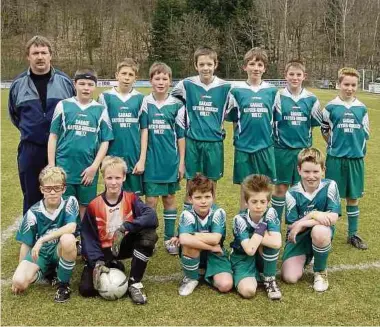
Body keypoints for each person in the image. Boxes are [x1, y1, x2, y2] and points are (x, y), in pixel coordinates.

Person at [8, 35, 75, 214]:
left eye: (43, 52)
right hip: (31, 149)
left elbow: (74, 112)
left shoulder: (65, 82)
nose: (40, 57)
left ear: (50, 55)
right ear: (28, 56)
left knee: (62, 194)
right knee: (31, 195)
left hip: (62, 148)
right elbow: (15, 116)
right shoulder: (18, 85)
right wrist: (34, 131)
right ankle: (31, 237)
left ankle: (63, 237)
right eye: (35, 53)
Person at [79, 156, 158, 304]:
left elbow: (151, 216)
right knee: (87, 290)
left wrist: (126, 227)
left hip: (122, 244)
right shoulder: (94, 205)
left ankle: (135, 283)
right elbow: (88, 237)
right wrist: (97, 262)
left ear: (124, 177)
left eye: (117, 177)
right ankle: (108, 263)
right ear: (103, 178)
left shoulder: (131, 198)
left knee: (149, 236)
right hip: (103, 250)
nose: (114, 182)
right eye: (109, 178)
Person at [48, 68, 114, 219]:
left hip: (87, 169)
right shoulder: (63, 105)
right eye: (82, 83)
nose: (86, 88)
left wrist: (94, 167)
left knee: (86, 206)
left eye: (90, 84)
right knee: (64, 205)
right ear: (74, 84)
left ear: (95, 86)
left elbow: (105, 141)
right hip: (64, 167)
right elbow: (53, 136)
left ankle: (84, 239)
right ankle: (67, 239)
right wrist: (52, 165)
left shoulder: (100, 110)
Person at [171, 46, 231, 208]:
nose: (206, 68)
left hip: (214, 143)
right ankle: (187, 222)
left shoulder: (226, 88)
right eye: (202, 64)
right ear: (196, 65)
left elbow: (233, 111)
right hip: (193, 141)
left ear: (215, 64)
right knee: (191, 183)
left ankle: (211, 222)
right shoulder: (185, 84)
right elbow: (173, 105)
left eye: (209, 64)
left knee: (212, 184)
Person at [11, 166, 78, 303]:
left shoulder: (70, 202)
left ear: (64, 189)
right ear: (41, 189)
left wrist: (42, 239)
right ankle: (45, 273)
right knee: (19, 281)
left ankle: (63, 285)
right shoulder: (33, 212)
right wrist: (21, 268)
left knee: (68, 239)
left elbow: (71, 227)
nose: (52, 192)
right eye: (48, 189)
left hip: (58, 249)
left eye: (57, 188)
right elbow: (26, 243)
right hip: (40, 253)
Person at [321, 67, 370, 250]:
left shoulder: (362, 108)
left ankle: (353, 234)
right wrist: (335, 145)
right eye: (346, 84)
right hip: (335, 158)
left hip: (356, 159)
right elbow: (325, 131)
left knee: (353, 197)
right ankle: (328, 233)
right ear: (339, 84)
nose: (349, 88)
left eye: (353, 85)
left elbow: (365, 134)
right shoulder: (330, 107)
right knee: (332, 198)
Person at [226, 48, 279, 211]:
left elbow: (276, 119)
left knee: (266, 187)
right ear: (245, 67)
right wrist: (238, 138)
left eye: (260, 64)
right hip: (244, 147)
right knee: (245, 188)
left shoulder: (272, 91)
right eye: (252, 64)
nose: (256, 68)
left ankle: (265, 224)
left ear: (264, 68)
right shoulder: (236, 90)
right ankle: (243, 225)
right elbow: (235, 119)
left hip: (265, 146)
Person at [140, 62, 185, 255]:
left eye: (165, 79)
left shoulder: (177, 105)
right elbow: (142, 132)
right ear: (150, 80)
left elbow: (181, 135)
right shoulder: (144, 103)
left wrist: (181, 162)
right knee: (150, 201)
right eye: (157, 78)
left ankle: (169, 238)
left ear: (170, 81)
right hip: (151, 160)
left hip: (170, 160)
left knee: (169, 198)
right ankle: (150, 238)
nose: (161, 82)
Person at [281, 148, 341, 292]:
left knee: (320, 231)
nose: (311, 176)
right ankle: (309, 255)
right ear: (299, 170)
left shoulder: (330, 185)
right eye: (307, 172)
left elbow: (332, 217)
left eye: (315, 171)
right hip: (299, 237)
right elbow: (292, 226)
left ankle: (320, 272)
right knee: (290, 278)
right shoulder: (292, 193)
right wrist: (314, 215)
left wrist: (305, 221)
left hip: (320, 231)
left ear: (323, 170)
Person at [271, 59, 322, 222]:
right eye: (291, 74)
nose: (295, 78)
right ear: (285, 76)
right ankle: (275, 226)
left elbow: (314, 123)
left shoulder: (312, 99)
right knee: (280, 188)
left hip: (303, 152)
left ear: (304, 76)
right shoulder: (277, 97)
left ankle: (296, 226)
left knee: (301, 189)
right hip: (281, 150)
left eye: (298, 74)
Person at [177, 174, 233, 296]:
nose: (203, 201)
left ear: (213, 197)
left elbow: (215, 238)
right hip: (202, 250)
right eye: (198, 197)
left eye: (207, 196)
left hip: (215, 254)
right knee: (189, 244)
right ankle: (191, 278)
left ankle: (207, 272)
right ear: (190, 199)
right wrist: (211, 247)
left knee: (225, 285)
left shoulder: (218, 212)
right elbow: (184, 240)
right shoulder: (187, 214)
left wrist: (193, 234)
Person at [98, 58, 146, 196]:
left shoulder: (141, 98)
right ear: (116, 75)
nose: (126, 78)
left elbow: (144, 130)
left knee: (133, 199)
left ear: (135, 78)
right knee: (113, 195)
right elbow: (102, 130)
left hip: (133, 155)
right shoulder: (105, 97)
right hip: (112, 155)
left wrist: (141, 158)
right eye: (124, 73)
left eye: (130, 75)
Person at [230, 174, 282, 300]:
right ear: (246, 202)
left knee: (271, 246)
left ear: (268, 202)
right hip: (243, 257)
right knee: (248, 291)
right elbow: (249, 250)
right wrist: (262, 229)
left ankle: (269, 279)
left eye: (263, 202)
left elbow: (276, 243)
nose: (258, 206)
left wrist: (255, 235)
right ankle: (250, 275)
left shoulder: (270, 212)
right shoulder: (239, 219)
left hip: (260, 254)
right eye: (254, 201)